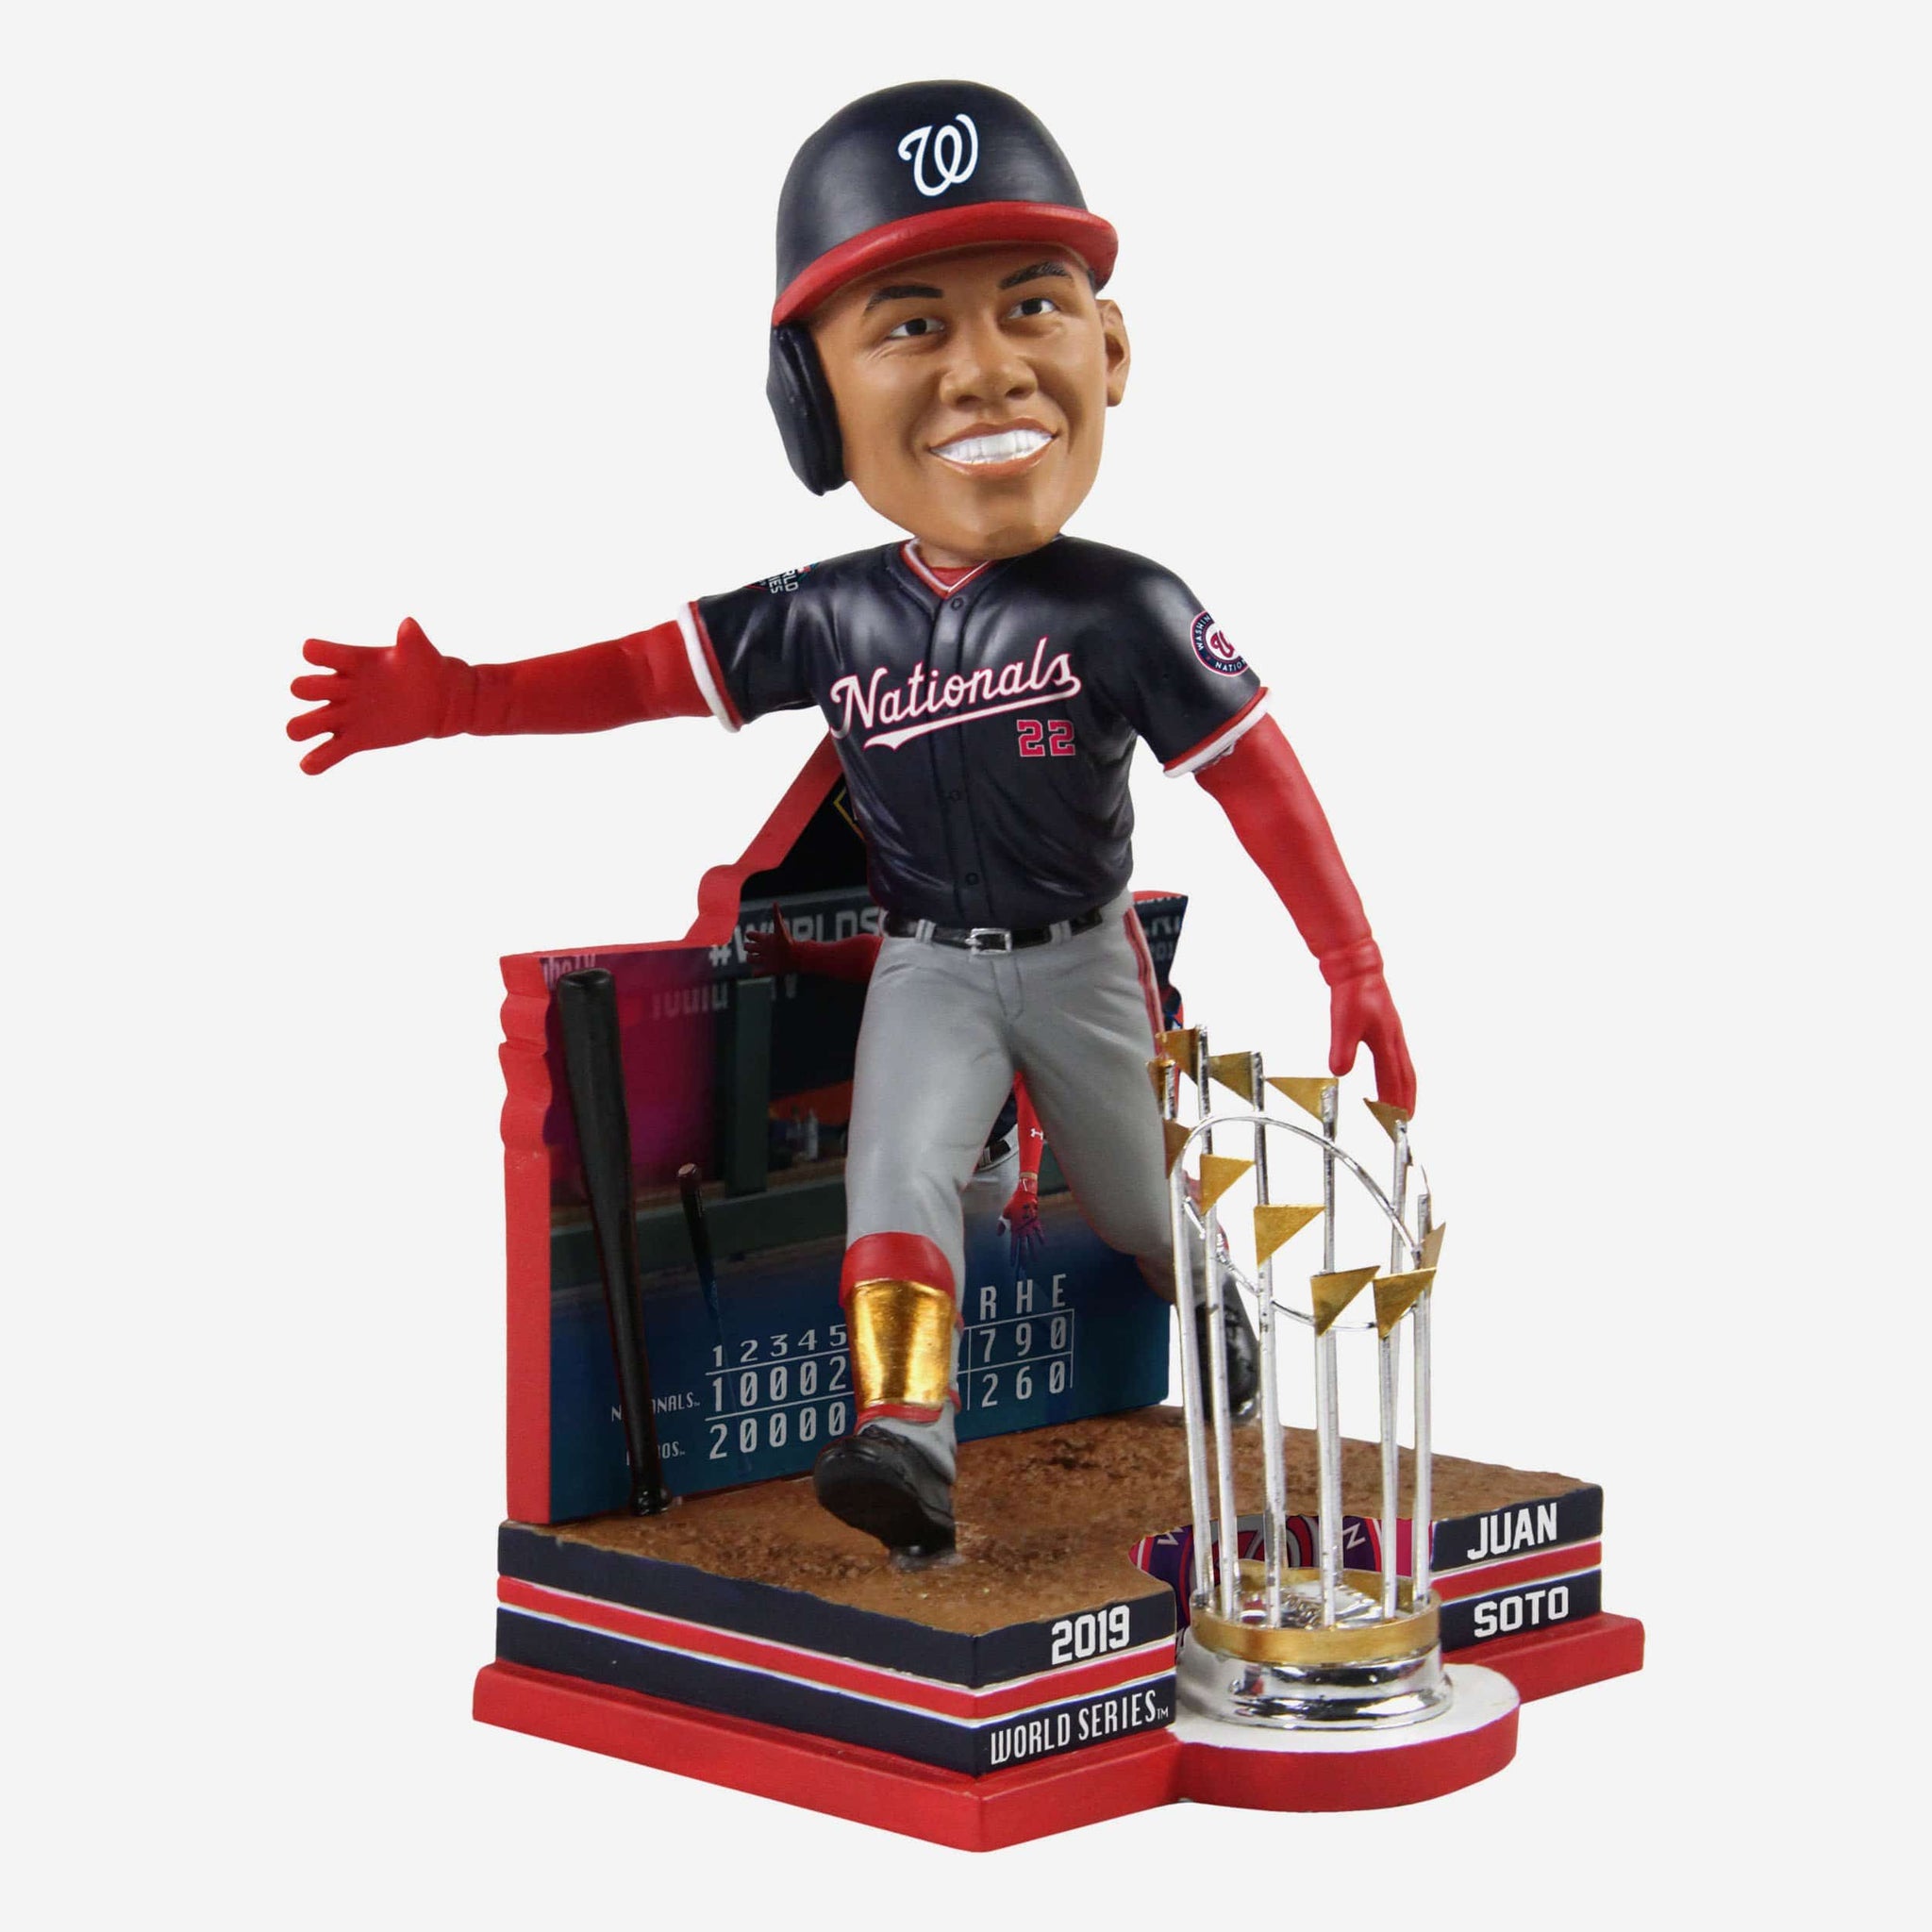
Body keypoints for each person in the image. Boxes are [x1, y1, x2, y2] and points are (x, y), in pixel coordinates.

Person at [288, 81, 1414, 1564]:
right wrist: (464, 699)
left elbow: (1256, 774)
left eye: (1032, 306)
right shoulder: (826, 611)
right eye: (912, 326)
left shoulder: (1129, 603)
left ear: (1111, 347)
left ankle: (1206, 1294)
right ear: (811, 403)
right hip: (929, 961)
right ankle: (904, 1438)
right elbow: (642, 674)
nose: (986, 371)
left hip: (1084, 959)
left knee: (1140, 1202)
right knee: (897, 1179)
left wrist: (1354, 963)